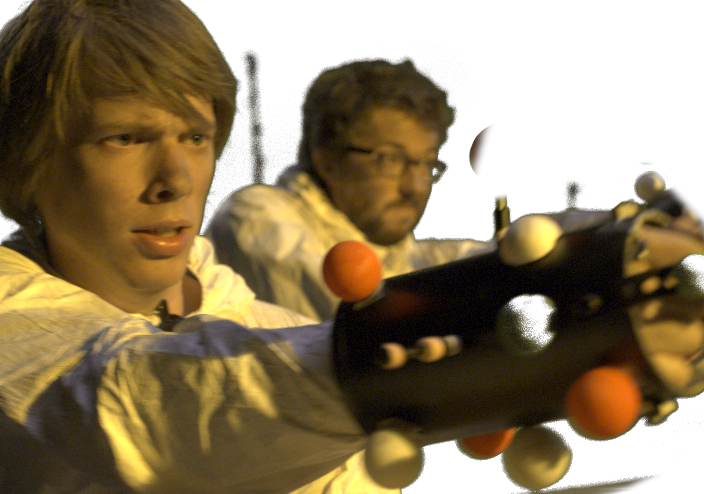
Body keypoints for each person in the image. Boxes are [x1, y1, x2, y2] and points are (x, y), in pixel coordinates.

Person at [0, 0, 704, 494]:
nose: (176, 178)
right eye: (127, 138)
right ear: (30, 164)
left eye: (195, 137)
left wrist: (600, 276)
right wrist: (453, 350)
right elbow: (140, 402)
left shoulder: (243, 313)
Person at [205, 58, 493, 321]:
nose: (416, 186)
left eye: (426, 163)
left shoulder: (401, 254)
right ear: (328, 162)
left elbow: (448, 257)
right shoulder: (254, 217)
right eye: (390, 159)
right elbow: (363, 317)